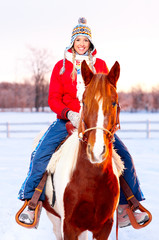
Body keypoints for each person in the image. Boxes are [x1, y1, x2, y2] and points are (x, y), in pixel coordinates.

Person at [18, 18, 149, 228]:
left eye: (85, 40)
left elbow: (108, 95)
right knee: (41, 153)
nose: (81, 43)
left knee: (125, 157)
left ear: (90, 43)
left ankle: (129, 206)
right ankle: (31, 203)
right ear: (72, 42)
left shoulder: (101, 66)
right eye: (78, 39)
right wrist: (68, 114)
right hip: (67, 121)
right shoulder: (60, 67)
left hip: (95, 122)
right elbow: (53, 99)